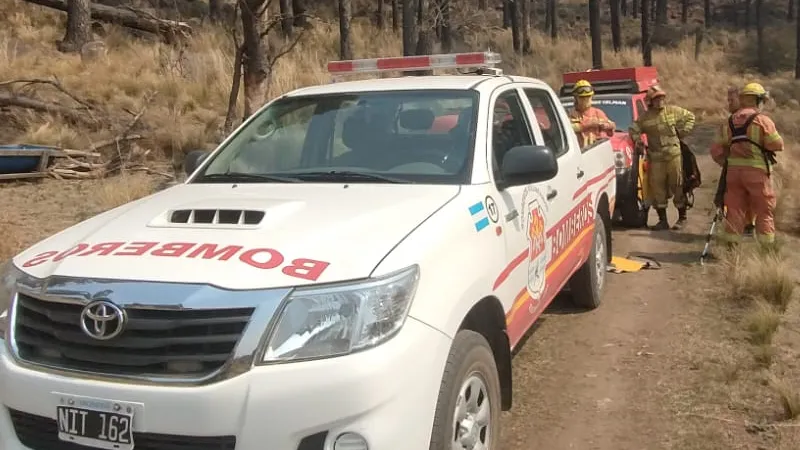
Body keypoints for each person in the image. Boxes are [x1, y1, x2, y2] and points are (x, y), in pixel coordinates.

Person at [710, 82, 784, 249]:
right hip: (757, 173)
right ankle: (767, 248)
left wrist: (727, 162)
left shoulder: (729, 122)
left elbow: (717, 149)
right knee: (764, 210)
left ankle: (731, 248)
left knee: (734, 210)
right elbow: (777, 145)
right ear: (757, 100)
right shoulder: (762, 120)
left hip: (733, 174)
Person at [629, 85, 696, 230]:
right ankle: (663, 221)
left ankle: (682, 218)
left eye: (661, 98)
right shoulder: (645, 118)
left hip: (674, 156)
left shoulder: (673, 111)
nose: (659, 101)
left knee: (677, 185)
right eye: (656, 98)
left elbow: (690, 117)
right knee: (658, 189)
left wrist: (684, 131)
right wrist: (638, 141)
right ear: (650, 101)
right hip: (656, 159)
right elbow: (633, 129)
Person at [727, 86, 757, 237]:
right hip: (753, 169)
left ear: (741, 100)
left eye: (731, 100)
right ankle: (747, 226)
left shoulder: (733, 121)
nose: (728, 104)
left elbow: (719, 148)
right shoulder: (758, 117)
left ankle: (743, 227)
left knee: (739, 199)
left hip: (742, 170)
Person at [568, 79, 616, 149]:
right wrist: (587, 124)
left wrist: (607, 126)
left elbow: (611, 127)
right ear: (576, 98)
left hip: (594, 151)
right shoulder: (570, 114)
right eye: (582, 98)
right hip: (578, 151)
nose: (585, 100)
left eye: (588, 97)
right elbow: (567, 129)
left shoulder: (597, 113)